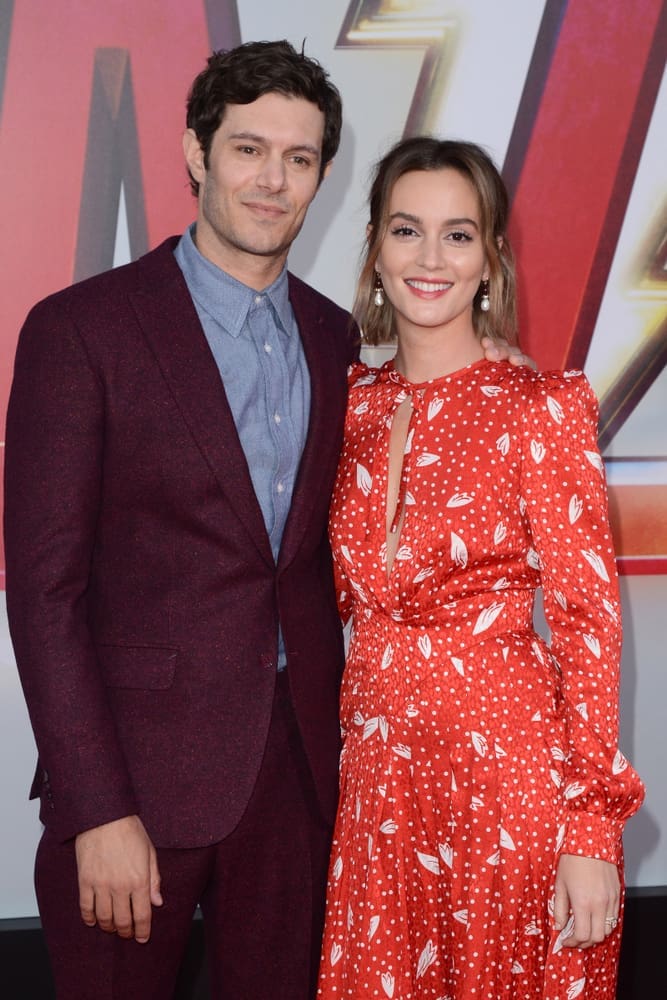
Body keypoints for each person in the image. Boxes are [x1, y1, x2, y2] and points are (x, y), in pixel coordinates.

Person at [4, 42, 528, 1000]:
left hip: (303, 782)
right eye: (249, 149)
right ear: (197, 154)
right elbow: (44, 594)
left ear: (322, 175)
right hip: (138, 794)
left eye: (298, 158)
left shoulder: (338, 339)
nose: (272, 179)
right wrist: (96, 807)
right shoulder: (81, 330)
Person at [317, 137, 644, 1000]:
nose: (430, 258)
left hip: (505, 791)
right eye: (406, 230)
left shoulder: (539, 409)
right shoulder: (346, 405)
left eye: (458, 235)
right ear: (375, 253)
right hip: (379, 797)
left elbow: (586, 624)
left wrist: (588, 831)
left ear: (490, 258)